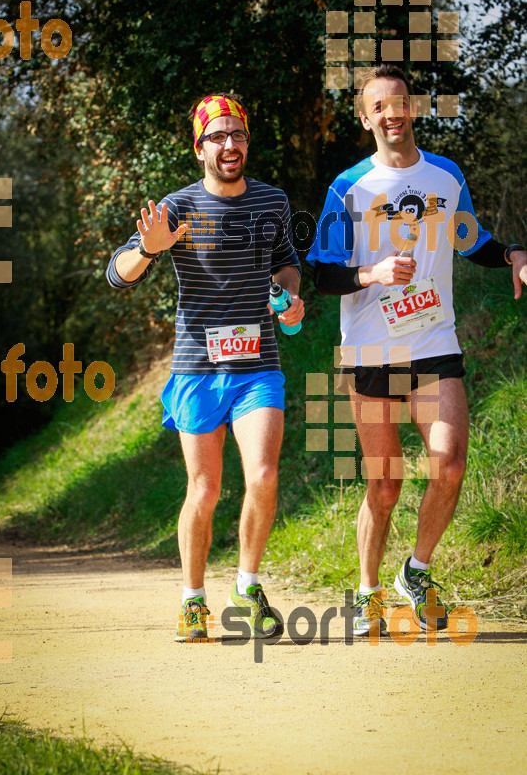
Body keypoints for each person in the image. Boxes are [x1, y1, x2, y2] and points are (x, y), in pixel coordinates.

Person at [307, 64, 527, 636]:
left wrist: (512, 255)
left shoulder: (446, 176)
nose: (392, 113)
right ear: (365, 118)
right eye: (379, 106)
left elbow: (471, 241)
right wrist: (373, 272)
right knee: (385, 484)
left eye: (400, 102)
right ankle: (366, 592)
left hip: (433, 342)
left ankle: (417, 571)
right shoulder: (347, 187)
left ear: (413, 109)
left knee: (449, 463)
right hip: (371, 349)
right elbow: (322, 274)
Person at [106, 93, 304, 642]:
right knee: (205, 488)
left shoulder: (273, 202)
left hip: (259, 362)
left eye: (237, 134)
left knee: (263, 475)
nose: (229, 145)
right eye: (216, 136)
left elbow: (287, 262)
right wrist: (148, 250)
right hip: (197, 368)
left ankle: (245, 582)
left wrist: (288, 296)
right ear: (199, 148)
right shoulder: (177, 206)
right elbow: (117, 275)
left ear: (247, 141)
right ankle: (193, 599)